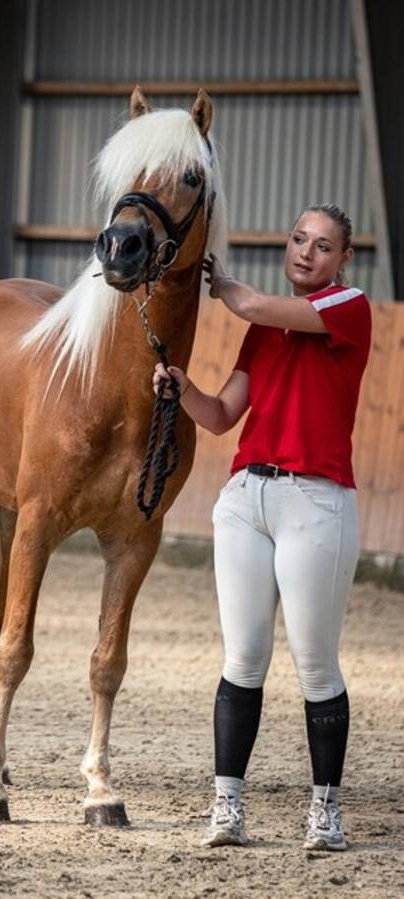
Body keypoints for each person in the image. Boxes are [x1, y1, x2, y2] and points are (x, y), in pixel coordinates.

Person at [153, 203, 372, 851]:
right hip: (248, 497)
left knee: (315, 665)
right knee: (243, 658)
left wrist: (221, 288)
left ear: (344, 259)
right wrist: (182, 387)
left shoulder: (349, 306)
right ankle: (228, 807)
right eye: (299, 239)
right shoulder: (264, 332)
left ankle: (324, 811)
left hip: (317, 500)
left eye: (323, 245)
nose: (307, 252)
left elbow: (250, 304)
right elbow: (221, 415)